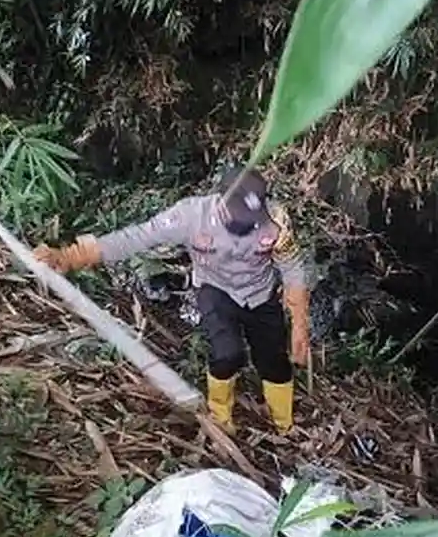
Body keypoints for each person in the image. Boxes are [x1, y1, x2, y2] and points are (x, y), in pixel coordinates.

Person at [33, 167, 312, 435]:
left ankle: (283, 424)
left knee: (275, 361)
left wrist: (299, 323)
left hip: (259, 293)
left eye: (252, 219)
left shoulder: (276, 222)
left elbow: (293, 267)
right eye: (238, 217)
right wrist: (71, 256)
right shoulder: (191, 215)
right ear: (221, 202)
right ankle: (221, 418)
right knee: (228, 355)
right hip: (216, 289)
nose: (247, 226)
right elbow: (137, 237)